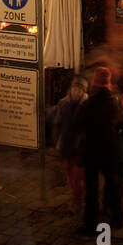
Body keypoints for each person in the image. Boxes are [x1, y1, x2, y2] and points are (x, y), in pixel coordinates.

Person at [74, 67, 123, 236]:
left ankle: (91, 223)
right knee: (113, 183)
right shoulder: (115, 102)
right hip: (110, 148)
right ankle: (117, 217)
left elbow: (78, 124)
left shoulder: (89, 103)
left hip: (92, 148)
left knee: (92, 188)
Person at [55, 76, 88, 210]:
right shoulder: (63, 104)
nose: (76, 92)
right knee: (69, 174)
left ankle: (77, 200)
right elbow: (57, 123)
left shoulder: (86, 105)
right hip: (66, 144)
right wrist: (56, 141)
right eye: (74, 88)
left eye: (79, 90)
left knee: (77, 176)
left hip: (80, 147)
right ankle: (77, 196)